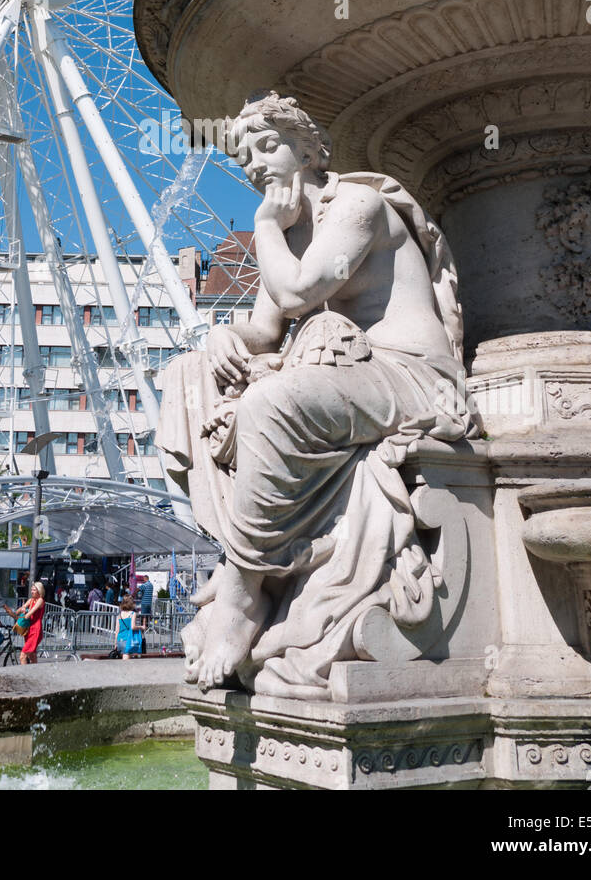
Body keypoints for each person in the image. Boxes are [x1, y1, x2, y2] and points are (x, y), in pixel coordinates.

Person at [157, 90, 472, 698]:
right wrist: (224, 335)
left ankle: (244, 595)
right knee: (188, 377)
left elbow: (300, 291)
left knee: (270, 404)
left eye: (268, 146)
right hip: (350, 374)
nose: (254, 165)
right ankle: (241, 552)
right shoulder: (290, 230)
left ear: (310, 149)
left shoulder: (357, 204)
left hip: (411, 377)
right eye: (244, 157)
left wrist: (265, 228)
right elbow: (267, 328)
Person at [17, 581, 46, 665]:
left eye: (34, 590)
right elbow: (18, 611)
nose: (32, 591)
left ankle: (25, 676)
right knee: (32, 656)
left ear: (39, 591)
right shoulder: (31, 600)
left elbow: (31, 613)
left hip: (36, 629)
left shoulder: (40, 600)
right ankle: (35, 674)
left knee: (23, 656)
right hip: (29, 629)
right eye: (31, 590)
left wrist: (26, 612)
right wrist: (21, 609)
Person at [116, 595, 143, 660]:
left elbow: (117, 631)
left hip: (120, 639)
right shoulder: (133, 614)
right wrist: (141, 627)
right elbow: (133, 627)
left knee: (125, 655)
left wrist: (115, 643)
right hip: (128, 639)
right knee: (126, 657)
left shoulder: (119, 615)